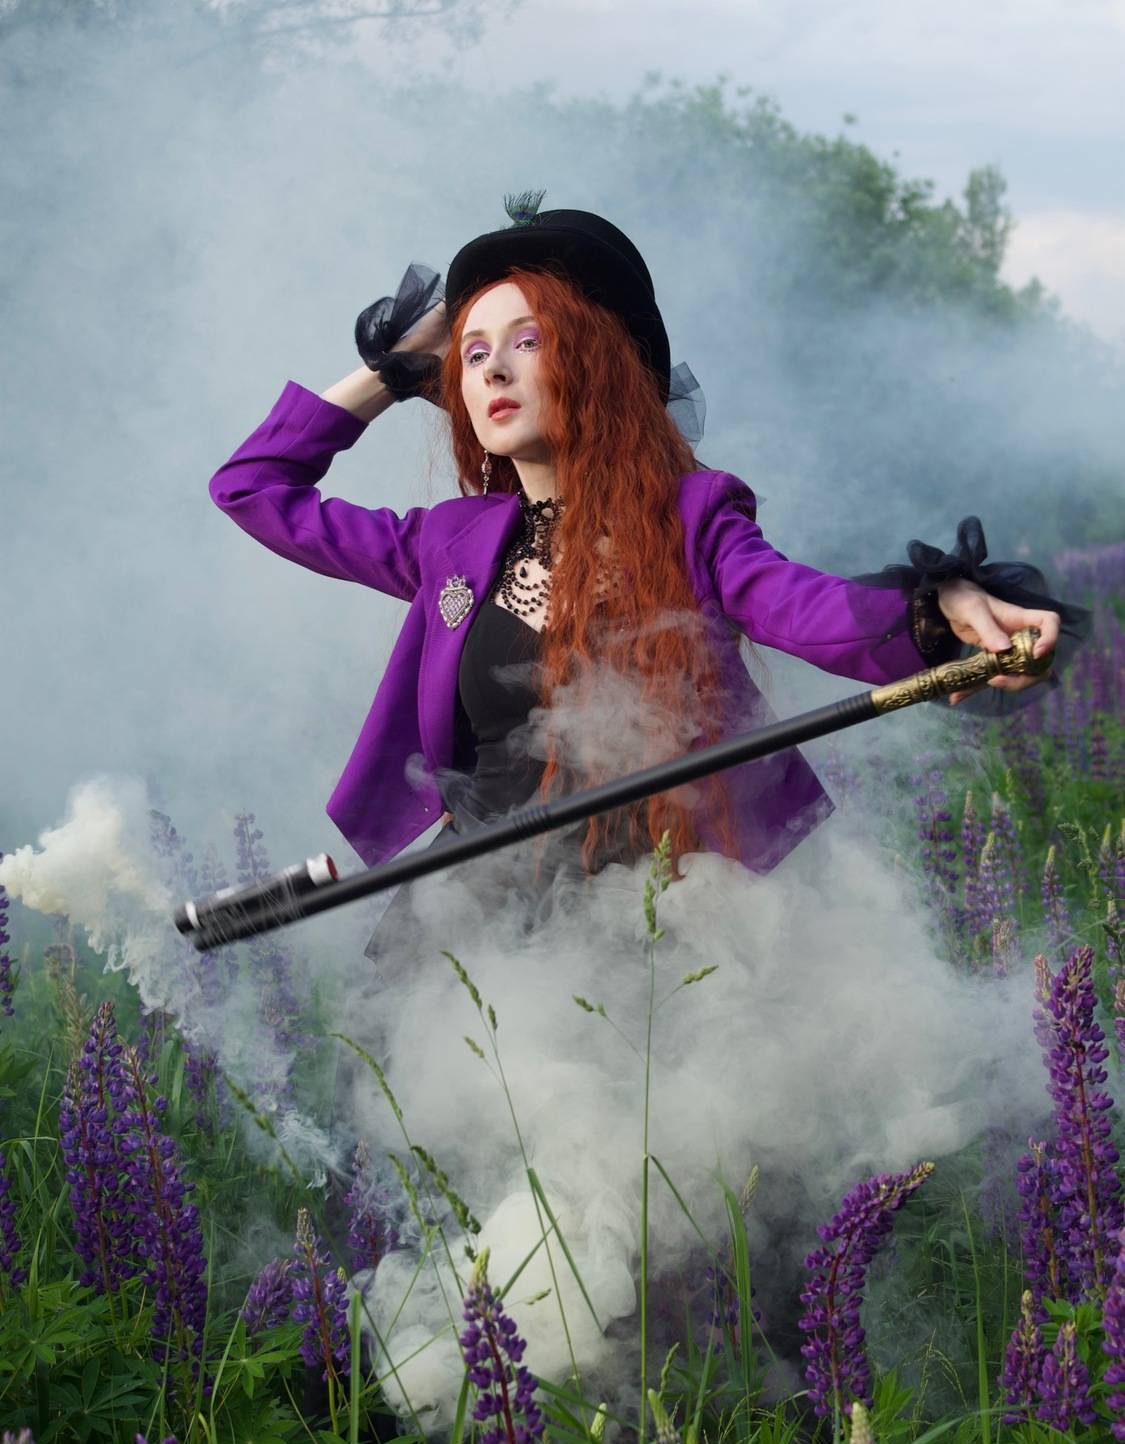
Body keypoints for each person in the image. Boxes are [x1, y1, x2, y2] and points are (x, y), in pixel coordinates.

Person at [208, 197, 1081, 919]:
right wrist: (394, 369)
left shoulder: (691, 519)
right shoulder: (448, 543)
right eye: (472, 354)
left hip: (655, 909)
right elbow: (254, 487)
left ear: (595, 363)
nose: (493, 371)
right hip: (471, 917)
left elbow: (804, 609)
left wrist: (940, 611)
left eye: (527, 341)